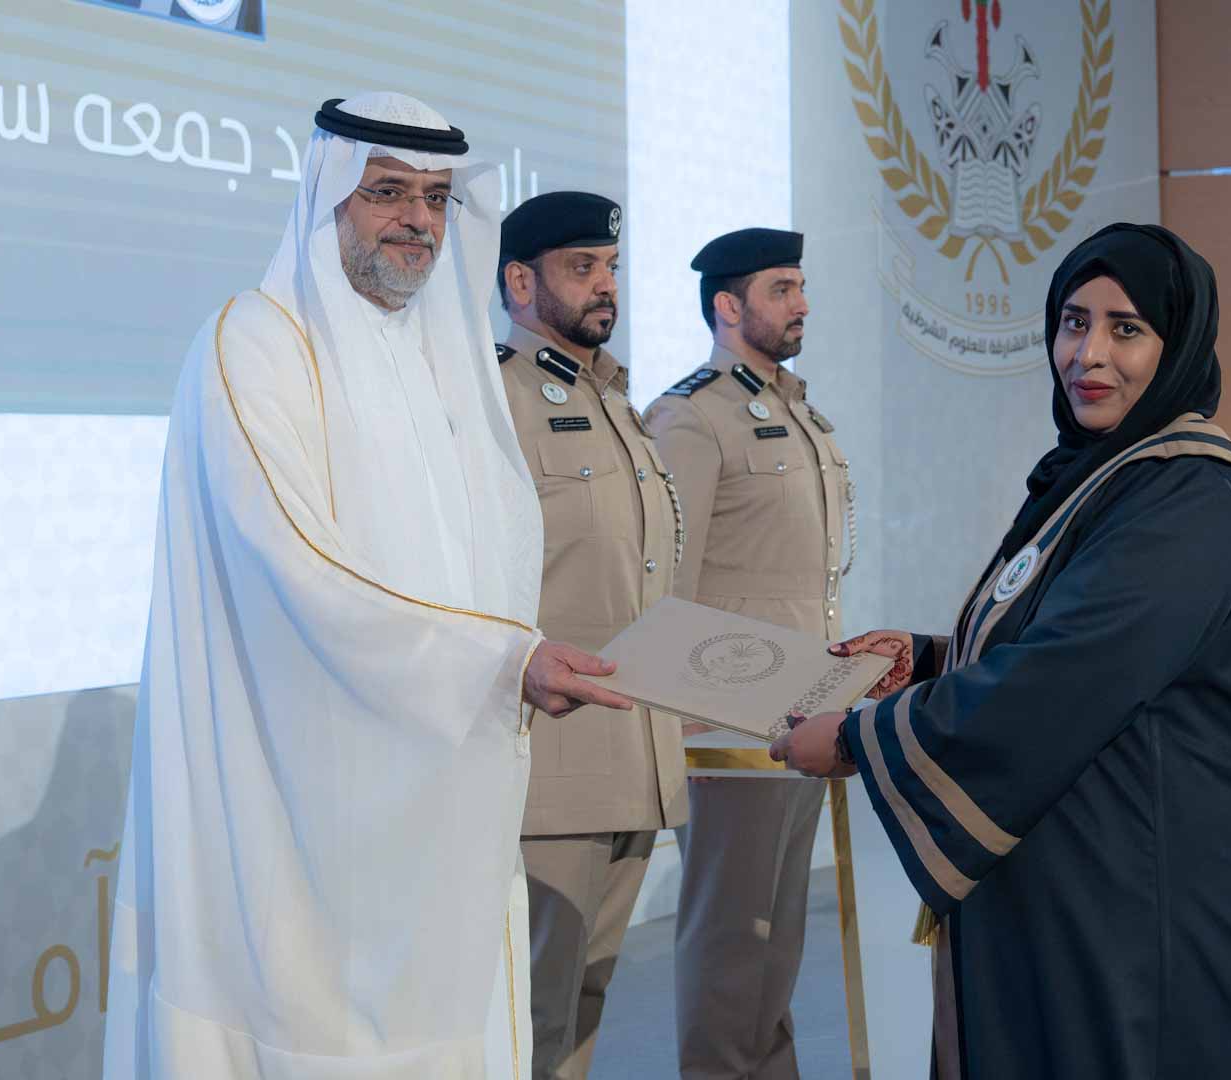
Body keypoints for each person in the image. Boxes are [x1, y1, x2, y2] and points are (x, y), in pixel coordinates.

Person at [103, 93, 631, 1080]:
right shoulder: (254, 343)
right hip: (301, 794)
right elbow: (296, 563)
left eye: (435, 197)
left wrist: (506, 662)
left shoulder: (442, 359)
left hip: (442, 778)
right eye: (387, 191)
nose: (417, 220)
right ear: (330, 196)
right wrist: (500, 664)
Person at [771, 224, 1231, 1078]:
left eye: (1126, 328)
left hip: (1166, 909)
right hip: (1103, 888)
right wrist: (930, 657)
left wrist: (859, 737)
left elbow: (1065, 674)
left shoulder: (1190, 493)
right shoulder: (1105, 475)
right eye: (1074, 322)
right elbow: (1071, 634)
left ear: (1178, 344)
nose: (1088, 354)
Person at [643, 227, 853, 1079]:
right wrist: (687, 724)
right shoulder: (691, 418)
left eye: (801, 286)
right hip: (728, 724)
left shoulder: (801, 414)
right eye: (781, 289)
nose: (801, 304)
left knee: (777, 936)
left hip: (804, 711)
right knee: (731, 936)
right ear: (728, 307)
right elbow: (667, 584)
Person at [494, 190, 689, 1078]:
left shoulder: (618, 403)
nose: (606, 285)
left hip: (634, 760)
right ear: (519, 281)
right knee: (530, 1018)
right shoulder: (493, 399)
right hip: (548, 773)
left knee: (584, 1006)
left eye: (610, 267)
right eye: (582, 268)